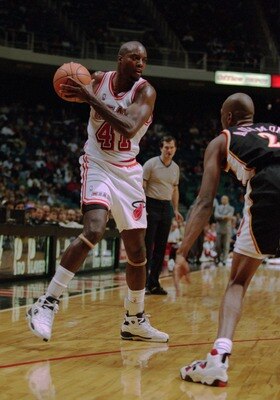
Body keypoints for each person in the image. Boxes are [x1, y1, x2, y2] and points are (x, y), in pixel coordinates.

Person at [26, 41, 168, 343]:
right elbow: (75, 89)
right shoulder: (98, 79)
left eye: (144, 58)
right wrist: (76, 90)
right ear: (120, 59)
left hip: (128, 170)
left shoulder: (145, 92)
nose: (141, 62)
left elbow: (129, 127)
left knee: (138, 251)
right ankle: (47, 302)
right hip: (98, 163)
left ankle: (134, 319)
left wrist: (91, 99)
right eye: (134, 57)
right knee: (94, 229)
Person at [174, 92, 280, 386]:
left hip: (269, 189)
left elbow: (204, 202)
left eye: (222, 113)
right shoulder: (274, 129)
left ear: (229, 117)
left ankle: (217, 359)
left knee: (237, 282)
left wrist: (182, 253)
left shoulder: (222, 139)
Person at [143, 136, 183, 295]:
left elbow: (175, 189)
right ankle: (143, 283)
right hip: (150, 204)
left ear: (175, 149)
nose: (169, 150)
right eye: (166, 147)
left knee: (161, 248)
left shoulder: (176, 168)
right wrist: (141, 205)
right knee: (147, 247)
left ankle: (154, 283)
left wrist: (176, 209)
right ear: (161, 148)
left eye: (171, 147)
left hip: (166, 207)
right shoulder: (151, 164)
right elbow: (142, 185)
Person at [214, 195, 235, 265]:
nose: (224, 200)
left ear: (228, 200)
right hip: (219, 229)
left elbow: (229, 216)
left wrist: (221, 217)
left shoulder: (231, 208)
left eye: (225, 199)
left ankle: (224, 259)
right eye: (223, 199)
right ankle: (219, 257)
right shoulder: (218, 207)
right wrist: (224, 217)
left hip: (227, 229)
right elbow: (216, 215)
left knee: (226, 245)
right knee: (218, 245)